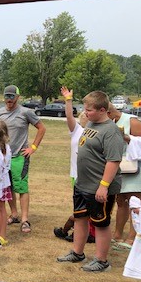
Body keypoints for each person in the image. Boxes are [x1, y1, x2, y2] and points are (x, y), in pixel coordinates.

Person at [57, 91, 125, 272]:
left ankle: (102, 261)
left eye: (89, 110)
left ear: (103, 110)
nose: (86, 113)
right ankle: (77, 253)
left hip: (99, 188)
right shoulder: (92, 124)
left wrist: (104, 186)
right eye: (85, 109)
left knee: (100, 223)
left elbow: (114, 160)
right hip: (82, 184)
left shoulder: (111, 132)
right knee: (80, 219)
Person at [0, 85, 46, 233]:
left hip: (19, 156)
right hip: (3, 157)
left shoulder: (26, 112)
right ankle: (14, 214)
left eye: (12, 96)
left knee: (21, 188)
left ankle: (24, 219)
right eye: (7, 96)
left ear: (18, 97)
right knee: (7, 187)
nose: (9, 99)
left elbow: (42, 128)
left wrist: (33, 148)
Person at [107, 103, 141, 247]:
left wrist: (127, 138)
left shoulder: (132, 121)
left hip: (138, 167)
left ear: (108, 112)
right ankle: (118, 234)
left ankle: (133, 237)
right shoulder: (111, 122)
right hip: (122, 166)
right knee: (121, 201)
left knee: (134, 202)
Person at [54, 87, 95, 243]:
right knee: (81, 207)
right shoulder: (76, 130)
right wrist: (68, 99)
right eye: (83, 114)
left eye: (87, 114)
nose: (84, 116)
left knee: (87, 208)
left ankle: (77, 230)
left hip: (92, 176)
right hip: (76, 175)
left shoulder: (100, 131)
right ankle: (78, 231)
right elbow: (69, 115)